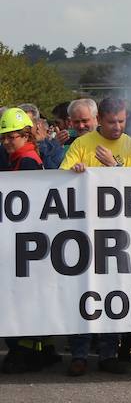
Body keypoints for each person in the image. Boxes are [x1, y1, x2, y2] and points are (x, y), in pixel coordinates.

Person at [60, 98, 131, 376]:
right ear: (100, 121)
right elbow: (60, 180)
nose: (117, 127)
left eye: (122, 121)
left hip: (118, 231)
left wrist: (114, 167)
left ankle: (108, 354)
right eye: (112, 122)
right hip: (84, 228)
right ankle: (79, 355)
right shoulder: (81, 145)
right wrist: (75, 171)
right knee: (82, 292)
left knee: (112, 293)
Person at [0, 108, 60, 374]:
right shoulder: (19, 159)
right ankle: (40, 350)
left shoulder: (26, 162)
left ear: (25, 135)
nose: (6, 142)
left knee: (23, 299)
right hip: (26, 242)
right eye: (3, 138)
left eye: (11, 137)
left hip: (26, 243)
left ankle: (26, 352)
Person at [19, 104, 65, 169]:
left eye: (27, 124)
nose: (23, 129)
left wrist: (41, 146)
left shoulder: (54, 148)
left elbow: (52, 173)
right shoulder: (8, 147)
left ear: (38, 124)